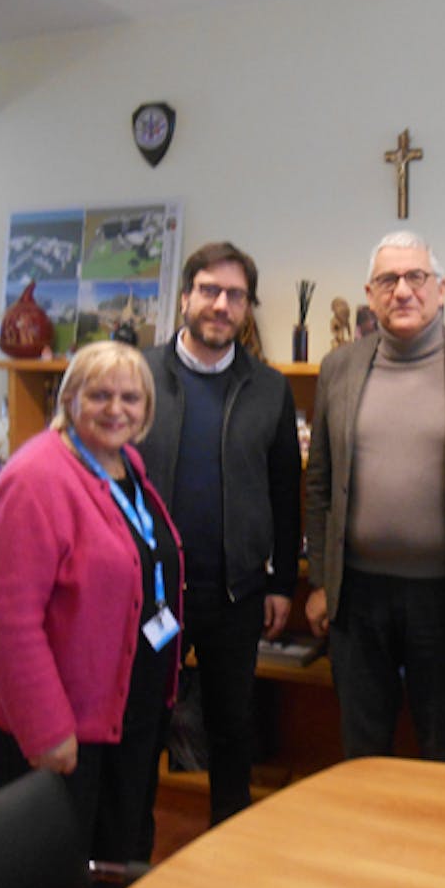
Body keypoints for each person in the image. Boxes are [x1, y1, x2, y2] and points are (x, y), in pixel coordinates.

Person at [304, 230, 445, 761]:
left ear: (441, 289)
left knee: (443, 741)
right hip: (356, 595)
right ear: (370, 293)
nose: (402, 290)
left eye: (416, 278)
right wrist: (320, 582)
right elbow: (320, 485)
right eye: (388, 280)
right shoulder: (340, 367)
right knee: (360, 742)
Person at [0, 340, 183, 867]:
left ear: (147, 410)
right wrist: (47, 728)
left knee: (118, 849)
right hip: (64, 724)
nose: (117, 409)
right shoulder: (34, 478)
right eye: (100, 395)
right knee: (51, 864)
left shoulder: (125, 462)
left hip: (124, 708)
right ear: (70, 400)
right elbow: (7, 618)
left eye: (131, 398)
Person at [135, 241, 301, 825]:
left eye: (234, 295)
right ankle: (130, 852)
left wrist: (282, 583)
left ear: (247, 308)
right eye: (209, 290)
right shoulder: (140, 377)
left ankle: (231, 848)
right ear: (186, 297)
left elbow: (286, 491)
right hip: (153, 596)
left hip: (236, 596)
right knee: (145, 725)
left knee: (234, 730)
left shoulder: (270, 388)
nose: (220, 304)